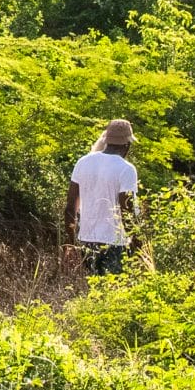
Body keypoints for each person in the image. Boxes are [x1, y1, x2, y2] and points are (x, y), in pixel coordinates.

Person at [62, 119, 141, 279]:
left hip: (86, 241)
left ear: (106, 140)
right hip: (115, 243)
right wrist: (136, 242)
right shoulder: (126, 169)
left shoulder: (83, 162)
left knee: (91, 292)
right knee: (113, 294)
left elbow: (70, 207)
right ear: (127, 145)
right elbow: (127, 211)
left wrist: (71, 243)